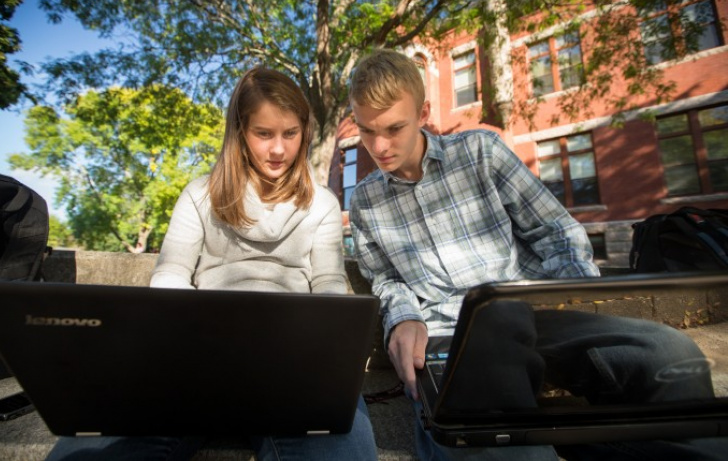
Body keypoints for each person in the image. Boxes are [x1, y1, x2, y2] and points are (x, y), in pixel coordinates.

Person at [348, 49, 724, 461]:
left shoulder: (481, 152)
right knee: (484, 442)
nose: (379, 146)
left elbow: (557, 233)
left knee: (671, 354)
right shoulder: (366, 202)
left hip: (533, 313)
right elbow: (387, 279)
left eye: (394, 128)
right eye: (367, 131)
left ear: (422, 113)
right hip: (449, 337)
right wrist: (403, 317)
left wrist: (574, 299)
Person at [45, 67, 378, 461]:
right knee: (87, 450)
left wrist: (333, 349)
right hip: (194, 361)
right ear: (239, 131)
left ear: (305, 131)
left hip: (294, 365)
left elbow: (327, 285)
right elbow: (170, 274)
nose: (278, 150)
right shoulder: (199, 194)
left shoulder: (321, 203)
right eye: (263, 134)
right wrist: (192, 340)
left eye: (290, 133)